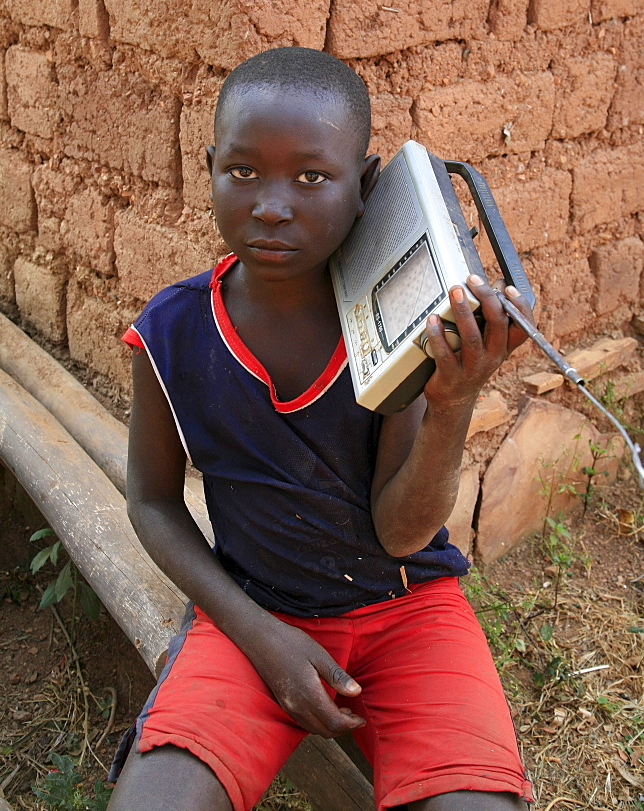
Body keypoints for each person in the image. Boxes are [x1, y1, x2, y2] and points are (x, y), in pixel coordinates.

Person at [107, 47, 535, 811]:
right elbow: (151, 503)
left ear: (366, 185)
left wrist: (449, 404)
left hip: (407, 609)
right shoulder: (171, 331)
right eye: (242, 171)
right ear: (208, 168)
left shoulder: (390, 326)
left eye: (312, 177)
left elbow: (403, 533)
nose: (273, 204)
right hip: (252, 609)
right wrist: (260, 638)